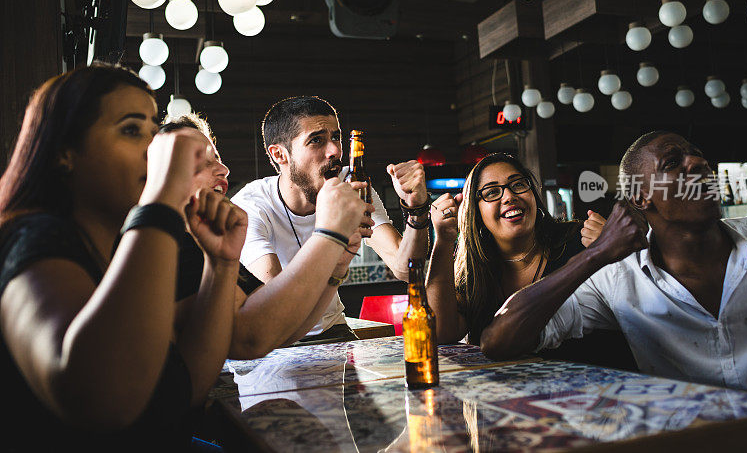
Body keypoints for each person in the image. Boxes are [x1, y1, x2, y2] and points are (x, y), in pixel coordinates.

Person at [0, 64, 246, 450]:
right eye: (132, 130)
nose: (154, 152)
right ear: (65, 152)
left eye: (153, 132)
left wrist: (222, 263)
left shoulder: (117, 253)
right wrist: (162, 199)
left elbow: (187, 387)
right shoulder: (32, 237)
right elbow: (101, 399)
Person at [479, 131, 747, 398]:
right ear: (640, 198)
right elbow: (498, 342)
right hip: (693, 440)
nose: (700, 163)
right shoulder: (617, 278)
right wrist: (597, 253)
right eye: (673, 163)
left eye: (699, 156)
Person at [160, 114, 370, 359]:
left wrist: (338, 264)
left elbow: (285, 327)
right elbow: (250, 337)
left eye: (217, 158)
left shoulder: (204, 244)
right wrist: (328, 235)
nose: (224, 169)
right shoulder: (171, 248)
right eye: (202, 161)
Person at [231, 96, 430, 349]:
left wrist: (416, 210)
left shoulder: (352, 185)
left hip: (333, 330)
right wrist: (331, 233)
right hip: (275, 338)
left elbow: (405, 268)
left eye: (335, 137)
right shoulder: (252, 205)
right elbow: (279, 304)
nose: (335, 150)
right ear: (279, 154)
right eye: (316, 140)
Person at [425, 153, 636, 370]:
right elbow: (439, 332)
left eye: (518, 184)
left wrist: (612, 249)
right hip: (507, 396)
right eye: (492, 192)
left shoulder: (580, 242)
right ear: (475, 211)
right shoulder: (474, 271)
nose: (508, 196)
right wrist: (443, 241)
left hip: (597, 391)